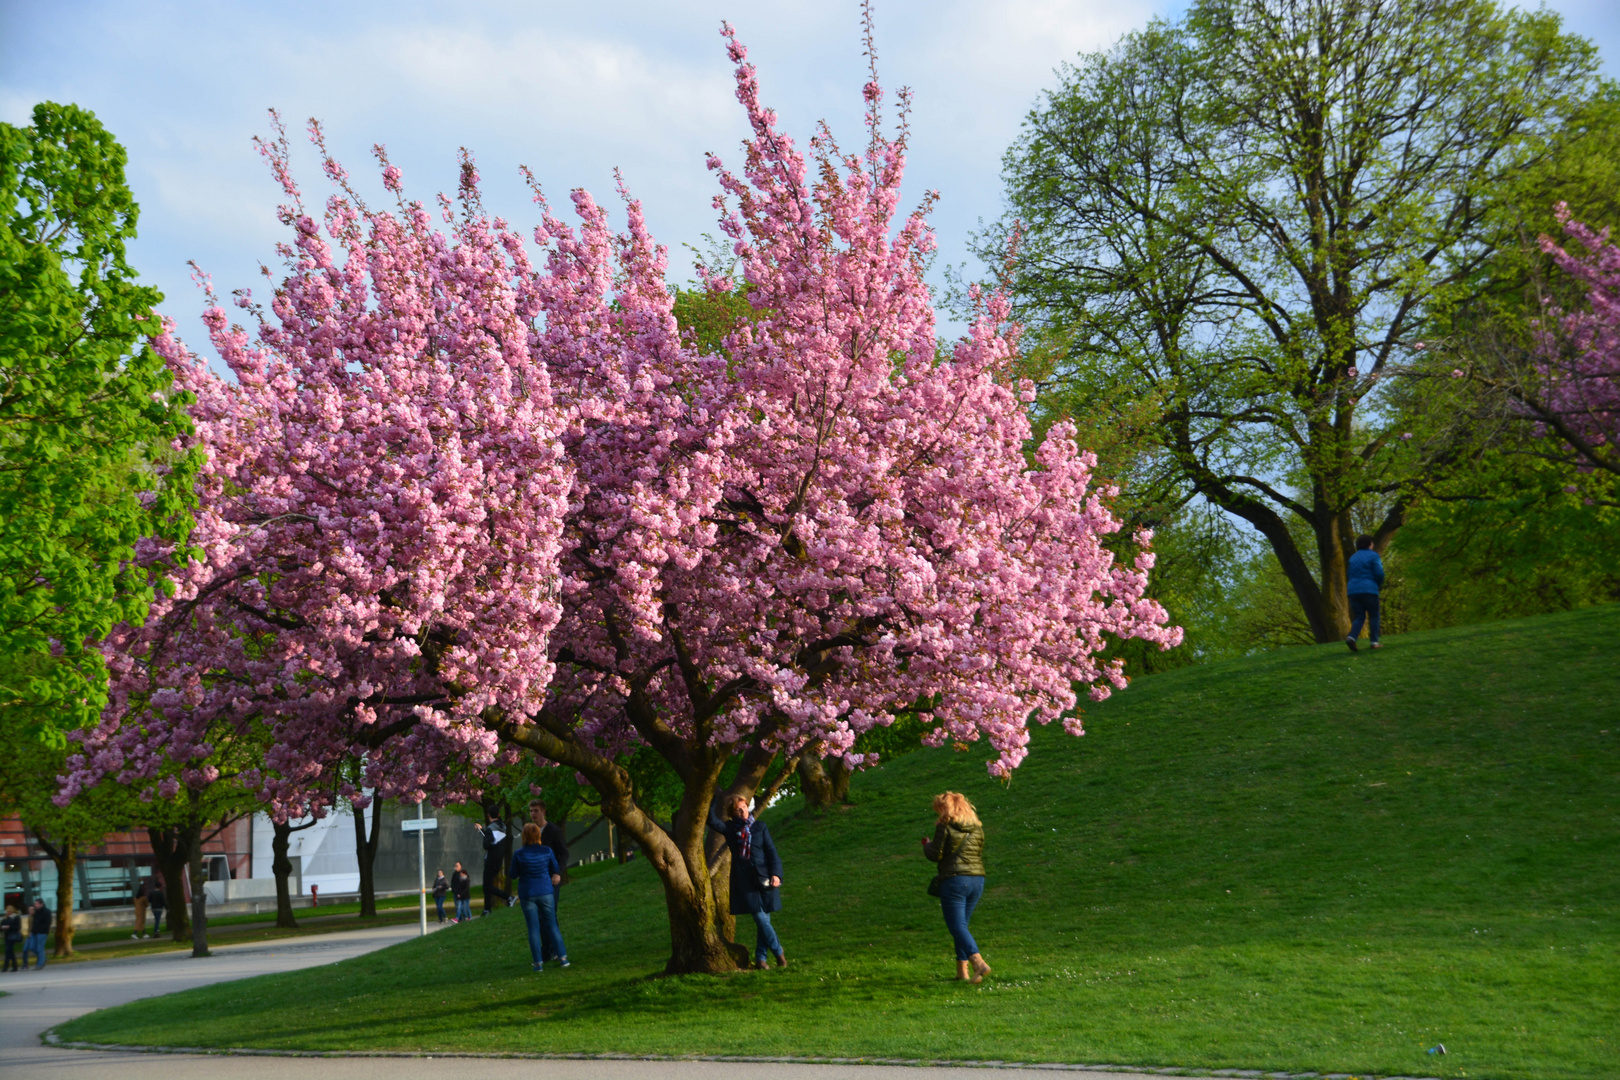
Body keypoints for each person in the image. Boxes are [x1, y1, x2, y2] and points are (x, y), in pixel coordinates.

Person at [707, 793, 785, 970]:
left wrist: (776, 874)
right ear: (732, 813)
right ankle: (779, 953)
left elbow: (772, 852)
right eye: (738, 809)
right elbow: (711, 820)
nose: (743, 811)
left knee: (764, 920)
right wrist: (712, 797)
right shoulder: (729, 828)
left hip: (765, 878)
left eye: (744, 807)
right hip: (744, 882)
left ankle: (761, 959)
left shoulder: (760, 827)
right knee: (760, 918)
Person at [922, 790, 990, 983]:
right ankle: (963, 972)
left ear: (946, 809)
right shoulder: (977, 828)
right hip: (977, 880)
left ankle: (979, 963)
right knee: (962, 926)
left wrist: (927, 844)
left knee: (957, 926)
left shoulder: (945, 826)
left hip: (954, 881)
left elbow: (936, 854)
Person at [508, 822, 567, 972]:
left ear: (524, 836)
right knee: (552, 924)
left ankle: (538, 963)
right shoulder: (546, 851)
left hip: (528, 893)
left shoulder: (519, 854)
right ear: (538, 835)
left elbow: (513, 874)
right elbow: (555, 868)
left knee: (533, 929)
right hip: (546, 890)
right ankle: (563, 958)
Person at [1345, 534, 1386, 652]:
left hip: (1353, 591)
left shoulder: (1353, 557)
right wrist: (1378, 583)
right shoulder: (1373, 556)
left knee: (1359, 616)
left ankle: (1351, 637)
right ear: (1370, 544)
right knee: (1374, 615)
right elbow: (1379, 573)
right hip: (1368, 589)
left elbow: (1349, 574)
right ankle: (1374, 642)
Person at [480, 818, 513, 915]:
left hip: (491, 860)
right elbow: (494, 839)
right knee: (487, 886)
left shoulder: (490, 828)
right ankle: (487, 908)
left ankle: (507, 897)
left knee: (487, 886)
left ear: (489, 816)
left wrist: (484, 835)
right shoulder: (502, 828)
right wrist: (482, 831)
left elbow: (487, 844)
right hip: (498, 860)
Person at [22, 899, 51, 971]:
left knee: (39, 948)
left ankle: (40, 964)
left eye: (37, 904)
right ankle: (43, 958)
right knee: (32, 947)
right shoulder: (36, 913)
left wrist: (41, 930)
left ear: (41, 904)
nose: (35, 905)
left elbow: (47, 923)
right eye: (35, 904)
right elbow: (33, 923)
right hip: (34, 932)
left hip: (42, 933)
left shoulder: (46, 912)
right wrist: (32, 931)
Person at [2, 904, 21, 972]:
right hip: (7, 936)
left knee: (8, 951)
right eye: (7, 911)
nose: (8, 913)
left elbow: (18, 927)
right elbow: (2, 925)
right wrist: (3, 927)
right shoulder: (5, 918)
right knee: (9, 951)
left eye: (9, 911)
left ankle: (6, 966)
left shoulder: (16, 917)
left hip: (13, 936)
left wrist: (9, 927)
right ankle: (14, 965)